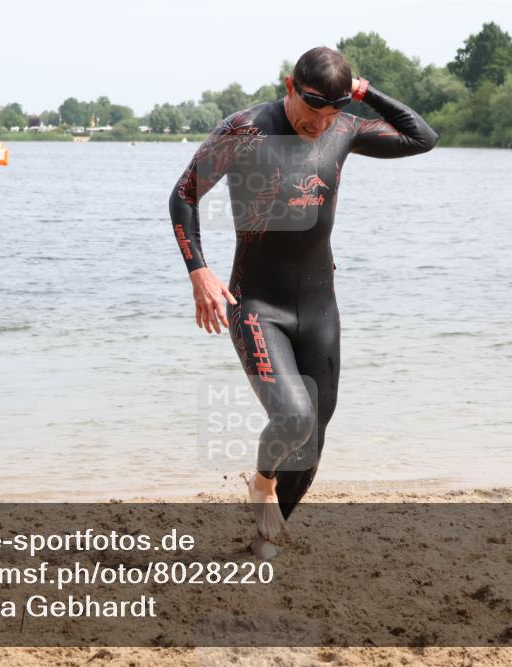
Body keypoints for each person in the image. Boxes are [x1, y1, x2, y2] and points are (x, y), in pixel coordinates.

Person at [169, 46, 438, 559]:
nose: (320, 122)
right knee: (294, 418)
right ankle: (263, 481)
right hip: (256, 306)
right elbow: (183, 195)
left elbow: (422, 138)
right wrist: (198, 270)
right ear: (290, 87)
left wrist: (364, 94)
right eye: (312, 108)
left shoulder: (344, 128)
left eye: (332, 110)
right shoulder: (244, 130)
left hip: (319, 308)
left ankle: (265, 540)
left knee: (314, 434)